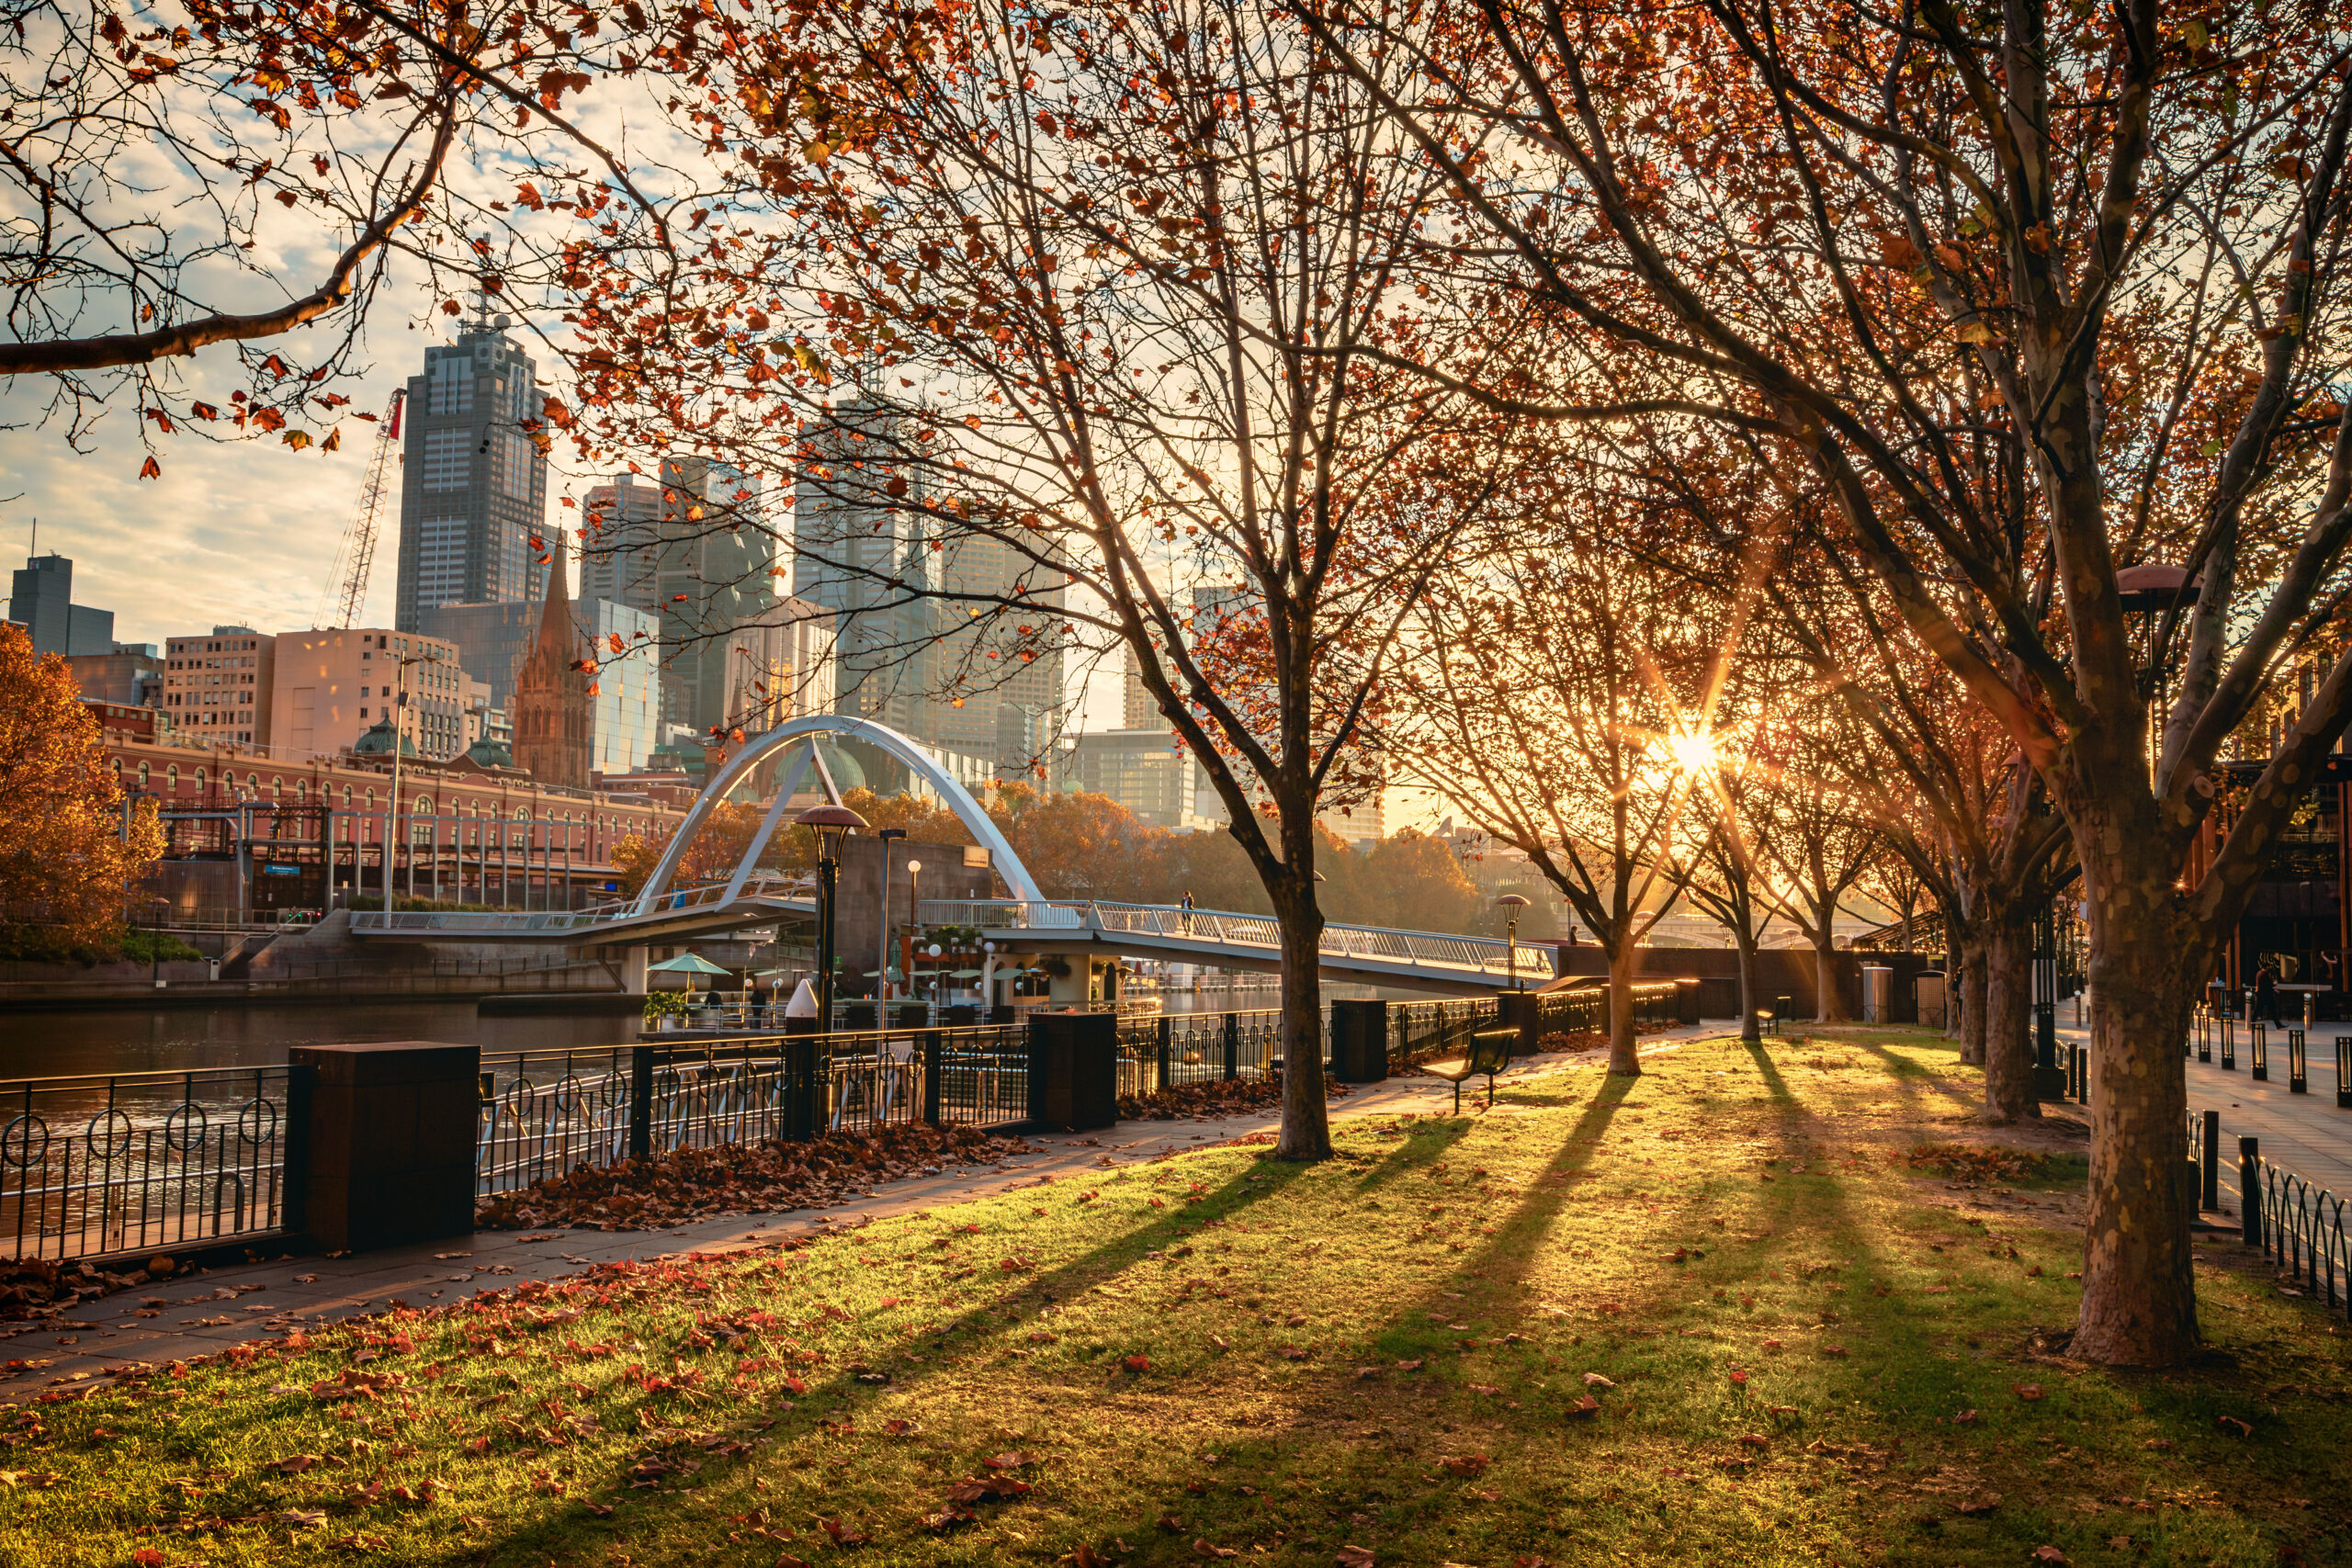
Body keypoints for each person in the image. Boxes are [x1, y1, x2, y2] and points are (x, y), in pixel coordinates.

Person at [2256, 960, 2281, 1026]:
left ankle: (2251, 1021)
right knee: (2272, 1010)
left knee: (2258, 1009)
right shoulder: (2264, 974)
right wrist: (2274, 984)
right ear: (2266, 967)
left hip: (2261, 994)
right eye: (2269, 966)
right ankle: (2278, 1024)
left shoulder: (2259, 973)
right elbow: (2267, 985)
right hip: (2266, 995)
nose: (2269, 968)